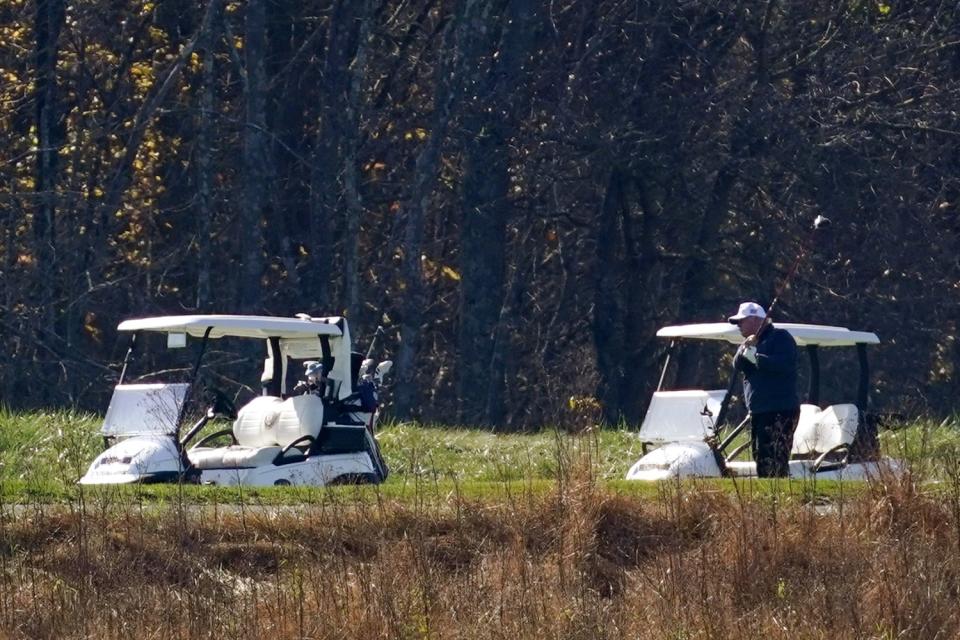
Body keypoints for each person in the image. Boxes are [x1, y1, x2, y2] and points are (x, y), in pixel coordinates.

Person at [728, 301, 800, 478]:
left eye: (741, 321)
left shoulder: (780, 337)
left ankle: (778, 499)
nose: (738, 326)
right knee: (760, 457)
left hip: (779, 410)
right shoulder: (751, 342)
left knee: (774, 459)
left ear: (755, 320)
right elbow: (737, 364)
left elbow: (784, 365)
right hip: (760, 411)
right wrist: (746, 348)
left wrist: (757, 358)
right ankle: (769, 499)